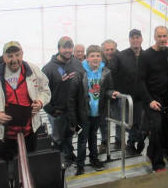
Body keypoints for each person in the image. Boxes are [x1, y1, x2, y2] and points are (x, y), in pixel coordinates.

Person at [0, 41, 51, 162]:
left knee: (29, 165)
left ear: (22, 54)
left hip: (30, 133)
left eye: (17, 55)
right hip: (3, 136)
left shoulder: (33, 71)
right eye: (10, 56)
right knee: (6, 170)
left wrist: (40, 102)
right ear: (4, 57)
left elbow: (45, 90)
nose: (14, 59)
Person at [67, 45, 119, 175]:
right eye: (92, 56)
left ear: (101, 58)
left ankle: (94, 159)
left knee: (93, 136)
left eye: (98, 56)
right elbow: (72, 98)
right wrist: (73, 119)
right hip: (82, 115)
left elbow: (108, 89)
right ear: (87, 58)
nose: (95, 58)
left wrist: (111, 93)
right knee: (82, 139)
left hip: (97, 113)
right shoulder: (79, 73)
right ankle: (80, 164)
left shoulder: (106, 72)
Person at [42, 37, 83, 167]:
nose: (68, 50)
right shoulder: (48, 69)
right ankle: (59, 161)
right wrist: (50, 110)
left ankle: (69, 155)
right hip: (57, 112)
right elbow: (41, 92)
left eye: (70, 47)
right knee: (58, 138)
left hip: (73, 110)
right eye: (65, 47)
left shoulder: (76, 63)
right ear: (59, 48)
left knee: (70, 134)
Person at [138, 26, 168, 172]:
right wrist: (149, 100)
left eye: (165, 36)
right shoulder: (145, 55)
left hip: (165, 97)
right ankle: (158, 163)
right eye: (160, 36)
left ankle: (151, 153)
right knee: (156, 128)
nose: (162, 39)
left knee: (161, 129)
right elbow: (140, 81)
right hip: (151, 98)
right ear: (154, 37)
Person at [115, 29, 145, 155]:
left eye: (137, 37)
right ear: (129, 40)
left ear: (141, 39)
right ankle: (124, 140)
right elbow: (114, 73)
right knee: (127, 122)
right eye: (133, 38)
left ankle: (132, 143)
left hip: (141, 97)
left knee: (138, 122)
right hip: (125, 97)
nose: (135, 40)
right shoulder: (121, 56)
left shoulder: (146, 55)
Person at [99, 39, 121, 153]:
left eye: (112, 49)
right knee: (103, 121)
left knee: (119, 119)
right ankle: (104, 141)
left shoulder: (120, 58)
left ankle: (119, 140)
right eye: (107, 49)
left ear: (115, 48)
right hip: (102, 96)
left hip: (116, 94)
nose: (109, 52)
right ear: (103, 49)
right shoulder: (97, 59)